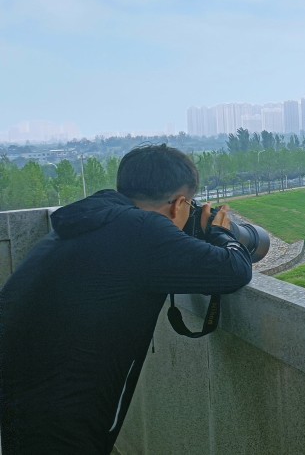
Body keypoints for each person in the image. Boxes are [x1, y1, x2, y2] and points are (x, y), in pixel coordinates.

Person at [0, 144, 253, 454]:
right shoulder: (141, 230)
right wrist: (220, 233)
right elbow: (234, 270)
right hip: (64, 416)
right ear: (179, 204)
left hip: (25, 398)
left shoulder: (94, 218)